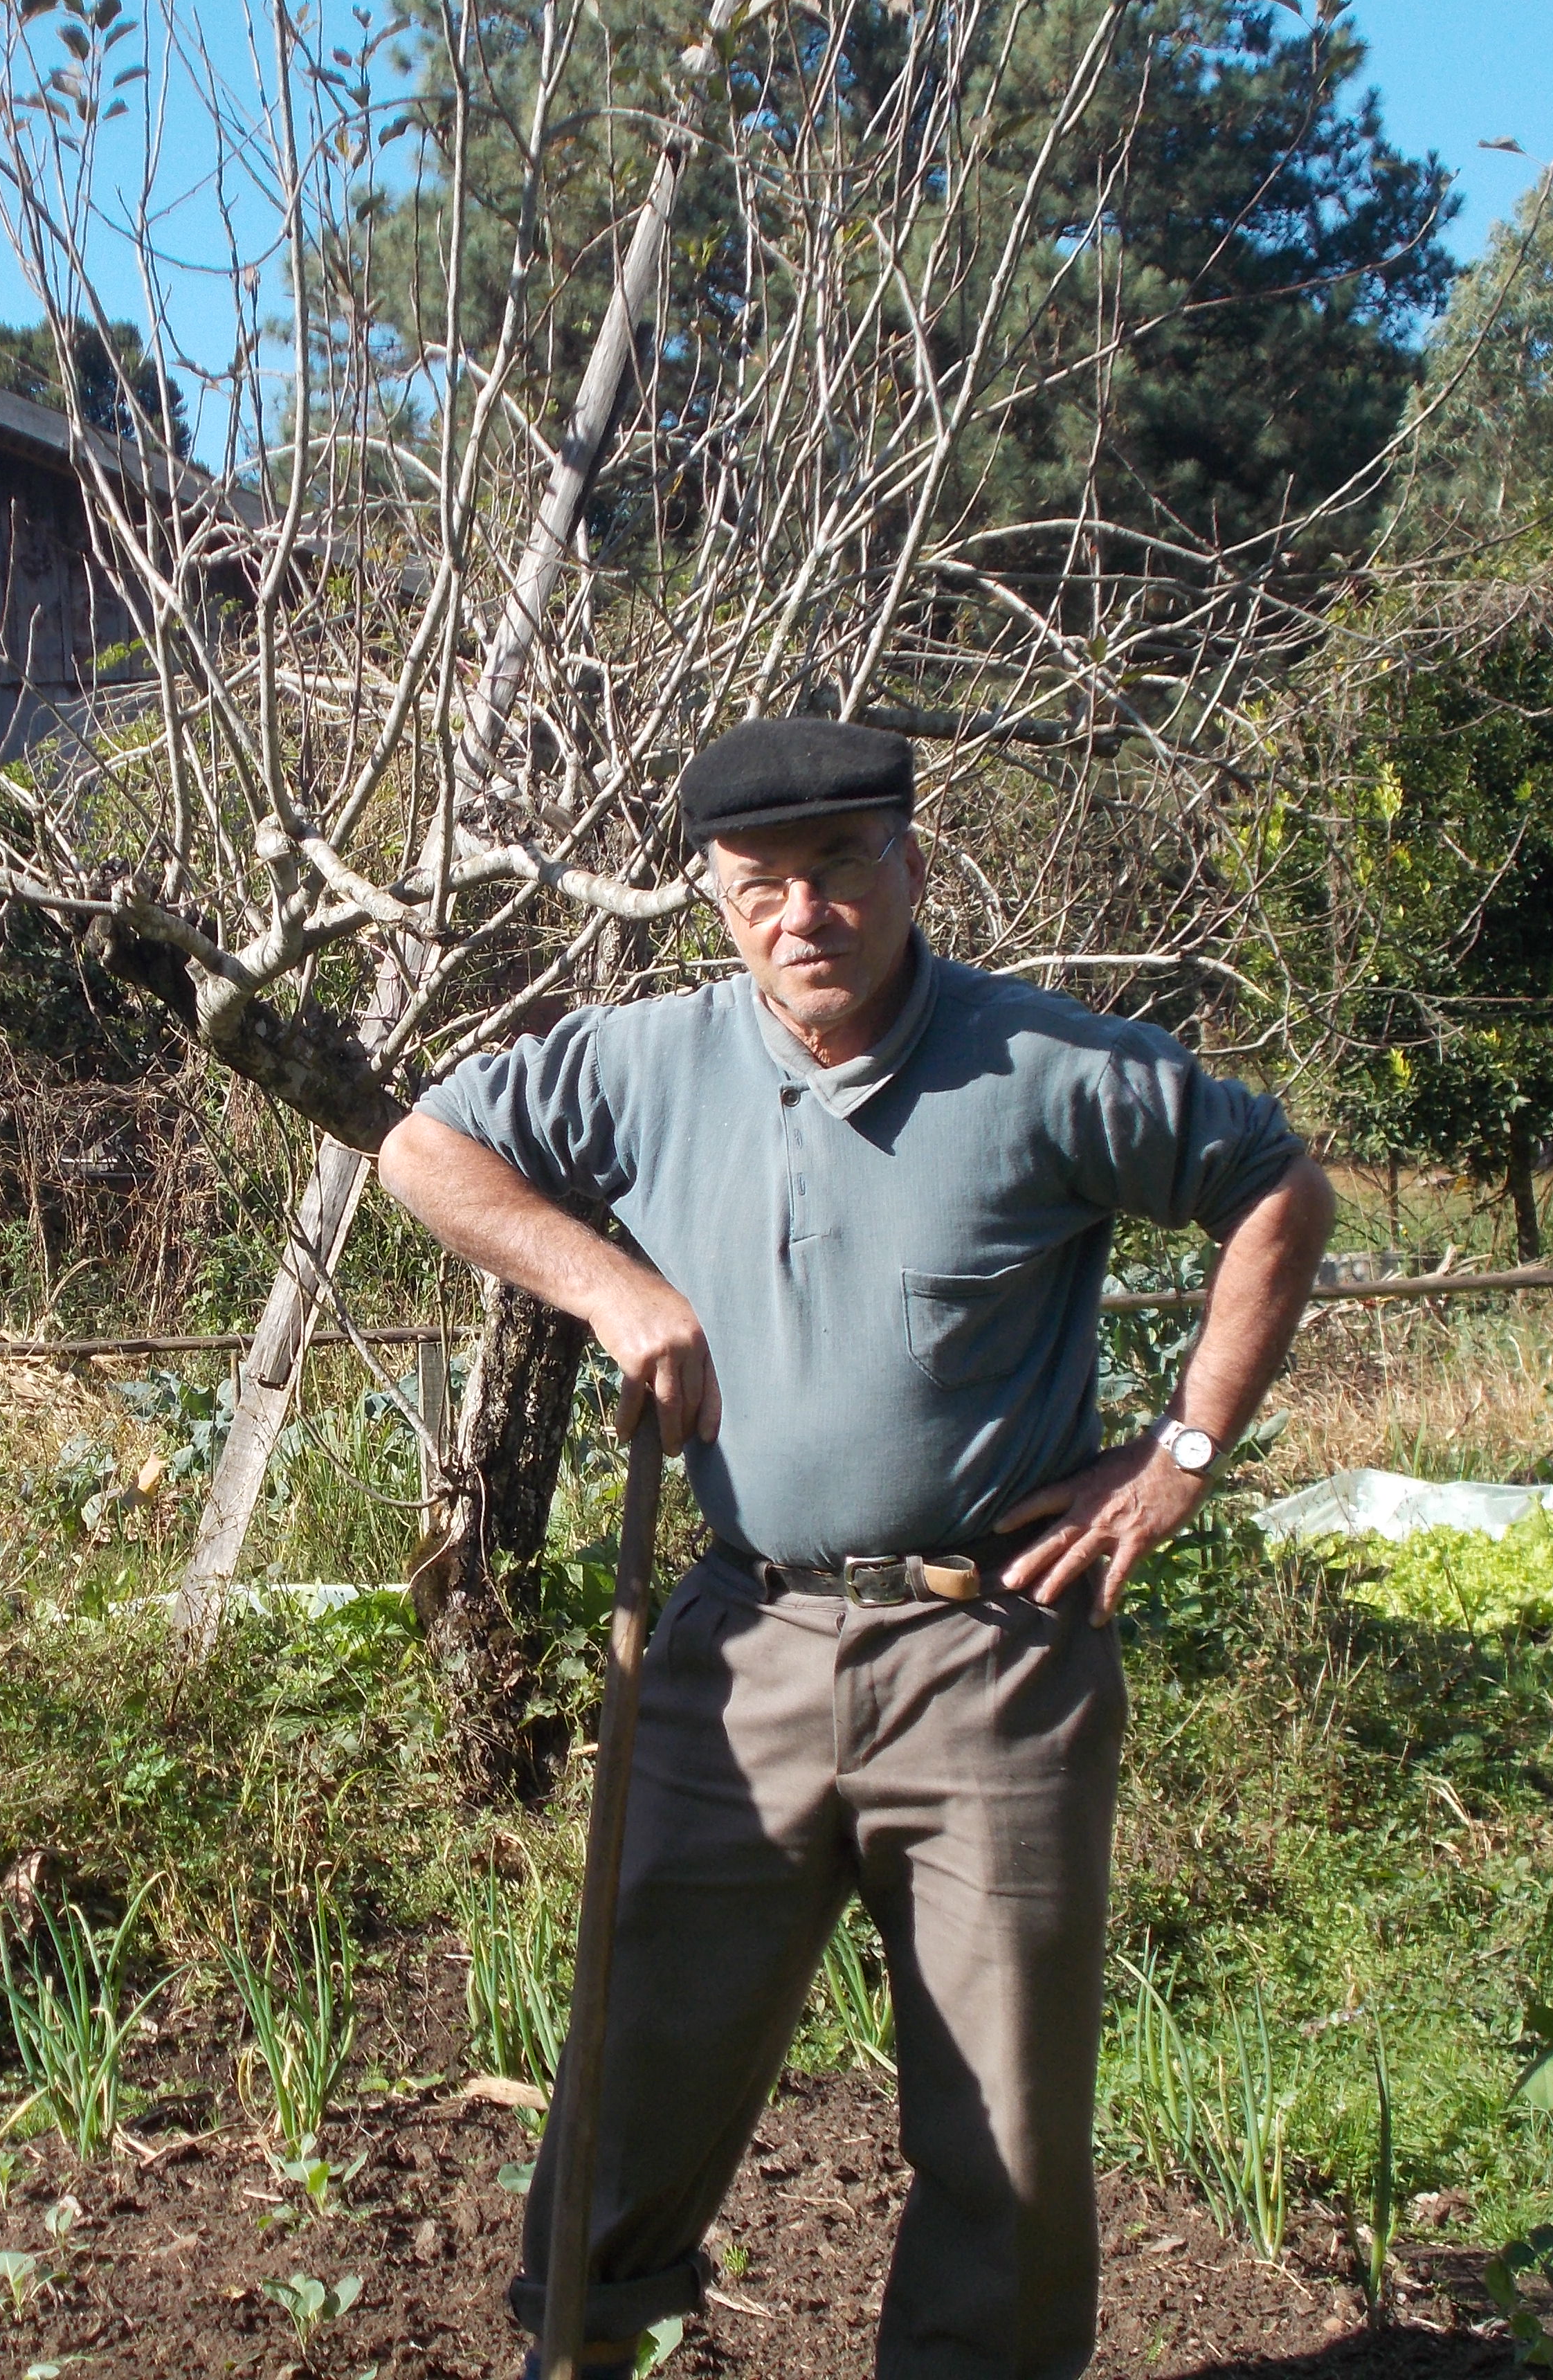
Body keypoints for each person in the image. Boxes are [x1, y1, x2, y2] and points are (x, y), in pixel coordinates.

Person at [374, 718, 1335, 2380]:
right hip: (733, 1651)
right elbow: (420, 1149)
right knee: (635, 2069)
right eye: (760, 886)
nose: (801, 913)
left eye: (838, 869)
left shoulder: (1039, 1067)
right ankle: (583, 2349)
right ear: (716, 896)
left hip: (991, 1661)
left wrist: (1182, 1449)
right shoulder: (643, 1064)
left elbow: (1277, 1183)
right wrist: (609, 1285)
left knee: (1004, 2124)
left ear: (910, 863)